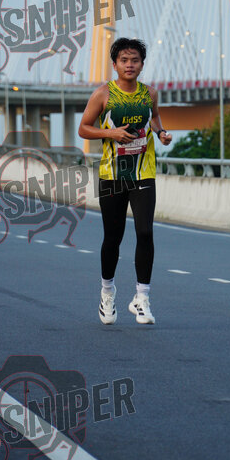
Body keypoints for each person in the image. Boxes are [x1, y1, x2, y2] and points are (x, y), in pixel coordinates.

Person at [78, 38, 172, 326]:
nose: (129, 65)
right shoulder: (103, 94)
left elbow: (154, 117)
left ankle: (142, 299)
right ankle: (107, 292)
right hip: (113, 175)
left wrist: (161, 133)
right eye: (124, 60)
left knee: (145, 232)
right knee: (113, 237)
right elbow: (84, 128)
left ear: (142, 65)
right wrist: (112, 133)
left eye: (135, 60)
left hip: (143, 172)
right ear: (115, 64)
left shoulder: (150, 94)